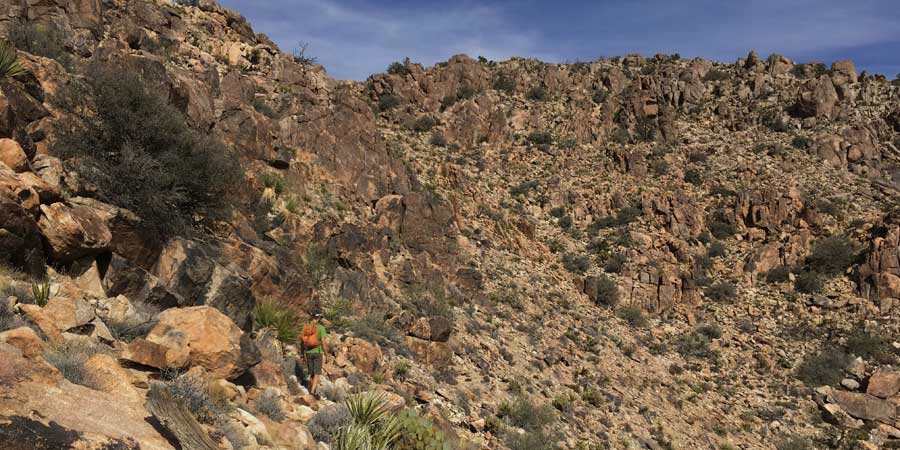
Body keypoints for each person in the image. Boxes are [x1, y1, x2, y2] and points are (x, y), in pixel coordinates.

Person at [300, 312, 328, 397]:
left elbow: (302, 342)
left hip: (308, 352)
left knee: (311, 373)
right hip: (318, 352)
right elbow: (323, 342)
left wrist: (302, 354)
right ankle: (312, 392)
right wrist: (326, 354)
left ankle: (312, 390)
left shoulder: (306, 327)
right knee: (317, 373)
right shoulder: (321, 328)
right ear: (318, 318)